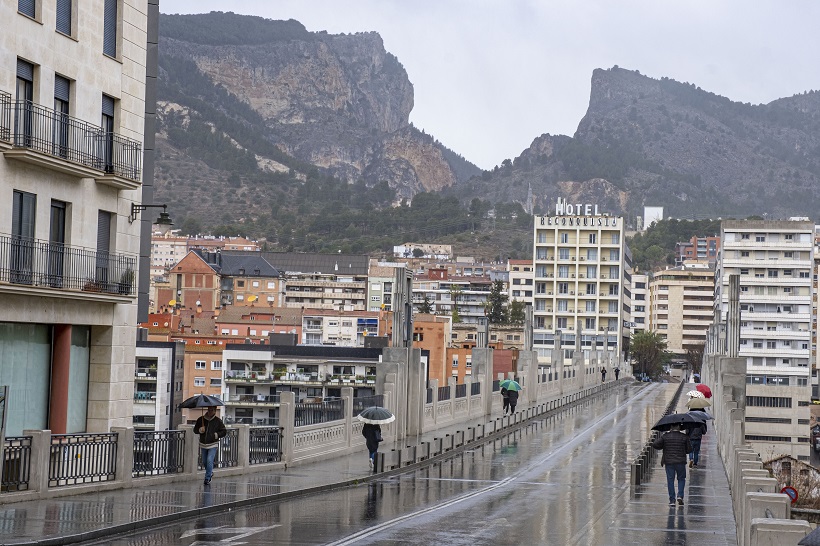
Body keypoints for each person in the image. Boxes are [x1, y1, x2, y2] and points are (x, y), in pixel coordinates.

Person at [652, 423, 693, 507]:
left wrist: (664, 445)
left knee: (670, 480)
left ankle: (672, 500)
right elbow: (689, 450)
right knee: (681, 479)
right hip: (681, 461)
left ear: (671, 427)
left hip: (669, 462)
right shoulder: (684, 437)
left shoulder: (665, 436)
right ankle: (680, 495)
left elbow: (655, 444)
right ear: (679, 427)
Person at [195, 406, 227, 485]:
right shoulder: (201, 419)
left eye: (212, 410)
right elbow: (195, 430)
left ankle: (207, 478)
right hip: (203, 444)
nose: (210, 411)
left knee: (209, 460)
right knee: (205, 462)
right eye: (209, 410)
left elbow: (224, 432)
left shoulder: (218, 421)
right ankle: (210, 472)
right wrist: (200, 430)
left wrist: (216, 435)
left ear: (215, 411)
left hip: (213, 444)